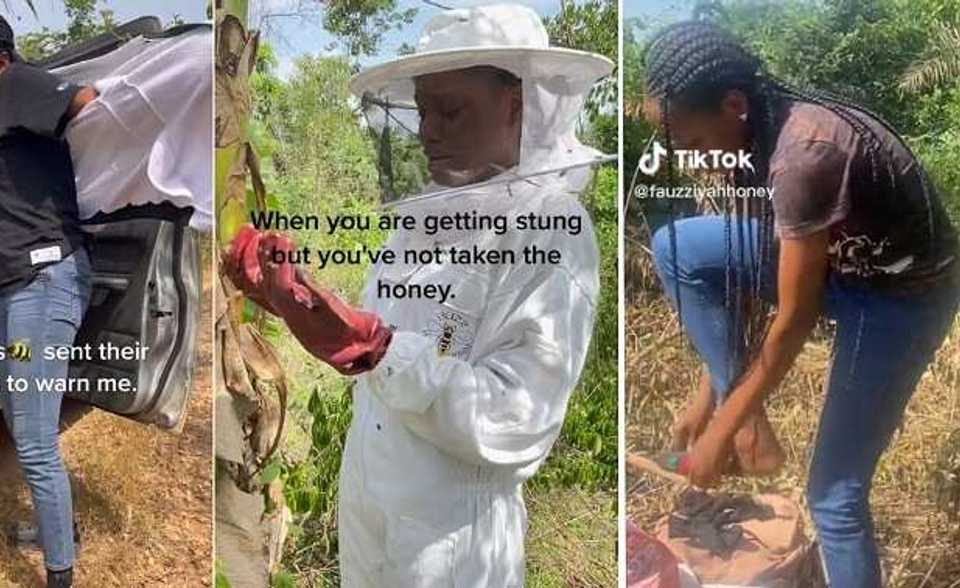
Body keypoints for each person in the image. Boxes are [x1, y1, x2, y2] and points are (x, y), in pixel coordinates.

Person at [225, 4, 612, 586]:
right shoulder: (423, 221)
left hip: (452, 545)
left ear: (517, 106)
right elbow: (385, 350)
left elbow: (517, 419)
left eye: (451, 111)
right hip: (371, 513)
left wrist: (378, 350)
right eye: (424, 111)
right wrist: (292, 299)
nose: (429, 131)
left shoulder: (551, 228)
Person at [641, 21, 959, 587]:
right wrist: (713, 391)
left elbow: (794, 319)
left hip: (899, 297)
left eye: (689, 143)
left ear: (732, 104)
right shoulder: (753, 131)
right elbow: (744, 277)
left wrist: (720, 429)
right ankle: (745, 415)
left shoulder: (803, 155)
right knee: (676, 247)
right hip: (842, 265)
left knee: (834, 492)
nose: (687, 160)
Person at [0, 6, 97, 587]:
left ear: (0, 62)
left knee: (32, 440)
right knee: (19, 416)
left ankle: (60, 573)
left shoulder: (23, 84)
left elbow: (92, 106)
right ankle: (56, 527)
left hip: (44, 285)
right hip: (14, 295)